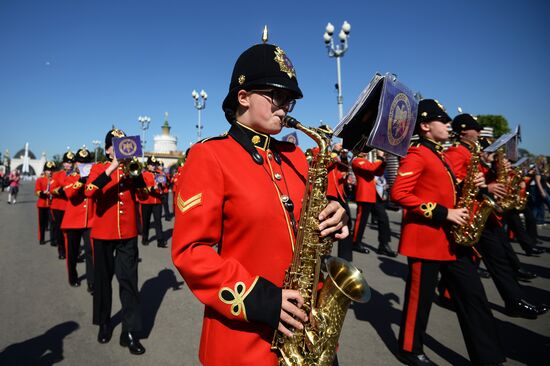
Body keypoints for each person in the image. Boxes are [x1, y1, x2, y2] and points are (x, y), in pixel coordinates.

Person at [171, 40, 348, 365]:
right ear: (242, 97)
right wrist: (263, 300)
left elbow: (326, 199)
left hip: (309, 332)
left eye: (289, 100)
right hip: (245, 340)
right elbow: (190, 252)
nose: (284, 107)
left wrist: (338, 211)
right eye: (275, 96)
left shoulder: (296, 156)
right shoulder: (209, 156)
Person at [391, 99, 505, 366]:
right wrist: (445, 213)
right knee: (420, 301)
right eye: (442, 121)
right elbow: (399, 193)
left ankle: (487, 356)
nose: (447, 125)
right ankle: (409, 348)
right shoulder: (417, 153)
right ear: (426, 126)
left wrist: (473, 185)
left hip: (452, 239)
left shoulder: (439, 154)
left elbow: (445, 189)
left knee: (473, 296)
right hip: (426, 239)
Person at [445, 113, 547, 319]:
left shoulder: (471, 151)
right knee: (489, 259)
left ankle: (513, 299)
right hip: (470, 214)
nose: (479, 132)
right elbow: (453, 184)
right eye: (476, 128)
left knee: (493, 257)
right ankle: (513, 301)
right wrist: (486, 188)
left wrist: (494, 172)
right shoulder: (456, 152)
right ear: (464, 130)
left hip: (481, 212)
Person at [85, 128, 147, 355]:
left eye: (124, 143)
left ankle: (130, 331)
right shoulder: (98, 168)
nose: (121, 148)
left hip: (127, 234)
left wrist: (135, 172)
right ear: (109, 149)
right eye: (116, 145)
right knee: (102, 281)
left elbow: (143, 195)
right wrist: (112, 167)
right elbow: (89, 192)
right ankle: (104, 322)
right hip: (102, 234)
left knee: (129, 281)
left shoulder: (132, 169)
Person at [61, 147, 95, 291]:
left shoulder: (93, 177)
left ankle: (91, 282)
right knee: (73, 252)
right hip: (73, 222)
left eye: (86, 162)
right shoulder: (70, 177)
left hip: (90, 220)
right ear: (75, 164)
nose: (83, 165)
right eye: (80, 162)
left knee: (90, 252)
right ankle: (72, 276)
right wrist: (81, 180)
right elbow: (70, 193)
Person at [351, 151, 394, 256]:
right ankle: (356, 242)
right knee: (362, 221)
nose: (365, 152)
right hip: (364, 195)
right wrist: (380, 157)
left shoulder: (365, 161)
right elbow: (371, 168)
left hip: (374, 195)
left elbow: (378, 172)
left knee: (383, 218)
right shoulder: (357, 161)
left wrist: (383, 161)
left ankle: (384, 244)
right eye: (363, 150)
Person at [50, 151, 75, 260]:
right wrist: (61, 190)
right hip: (59, 206)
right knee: (60, 230)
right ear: (63, 163)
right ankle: (61, 250)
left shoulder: (76, 174)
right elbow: (52, 190)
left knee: (73, 231)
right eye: (66, 162)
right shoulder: (57, 175)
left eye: (70, 162)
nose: (68, 164)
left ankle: (74, 252)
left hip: (72, 206)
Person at [139, 155, 166, 248]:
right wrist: (153, 188)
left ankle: (160, 240)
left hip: (157, 201)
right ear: (148, 165)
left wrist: (163, 185)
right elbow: (143, 189)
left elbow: (165, 185)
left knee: (158, 221)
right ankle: (145, 238)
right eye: (151, 164)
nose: (153, 166)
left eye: (154, 164)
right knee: (146, 221)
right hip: (147, 201)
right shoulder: (144, 175)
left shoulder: (160, 173)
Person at [35, 162, 55, 244]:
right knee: (42, 223)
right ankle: (41, 238)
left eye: (51, 170)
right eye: (48, 170)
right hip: (42, 204)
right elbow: (37, 191)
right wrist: (43, 193)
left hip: (52, 204)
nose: (49, 172)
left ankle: (53, 240)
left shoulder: (55, 180)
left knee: (53, 223)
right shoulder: (40, 179)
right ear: (45, 170)